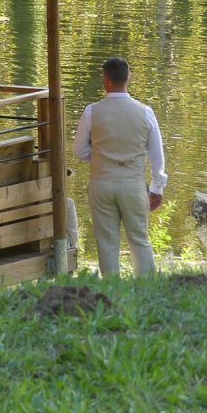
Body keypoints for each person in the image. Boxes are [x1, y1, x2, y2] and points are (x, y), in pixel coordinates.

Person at [73, 57, 167, 277]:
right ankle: (146, 287)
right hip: (133, 185)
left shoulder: (91, 111)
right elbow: (157, 157)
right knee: (139, 239)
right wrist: (157, 188)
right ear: (128, 78)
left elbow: (79, 150)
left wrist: (100, 159)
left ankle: (111, 288)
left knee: (106, 242)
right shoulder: (145, 112)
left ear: (105, 79)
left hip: (101, 184)